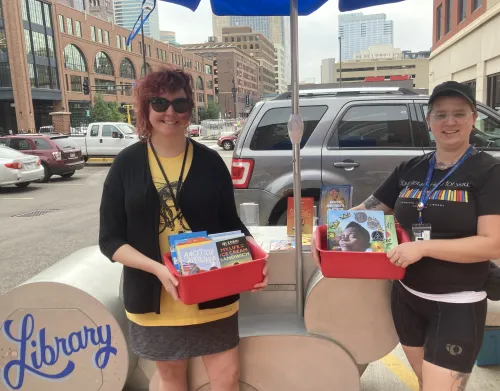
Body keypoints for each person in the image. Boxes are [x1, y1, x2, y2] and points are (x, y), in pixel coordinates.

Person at [312, 81, 500, 391]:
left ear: (473, 119)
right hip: (407, 298)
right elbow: (365, 212)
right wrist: (323, 237)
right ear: (428, 121)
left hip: (458, 303)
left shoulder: (488, 172)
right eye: (440, 115)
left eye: (458, 114)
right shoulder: (410, 169)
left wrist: (423, 249)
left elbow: (492, 243)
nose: (449, 122)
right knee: (426, 381)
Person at [99, 68, 268, 391]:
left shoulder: (210, 162)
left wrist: (253, 263)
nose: (170, 113)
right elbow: (110, 239)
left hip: (212, 290)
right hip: (155, 296)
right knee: (171, 379)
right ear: (146, 109)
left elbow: (231, 224)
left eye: (180, 104)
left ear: (190, 109)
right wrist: (157, 269)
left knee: (226, 376)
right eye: (160, 103)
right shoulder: (127, 164)